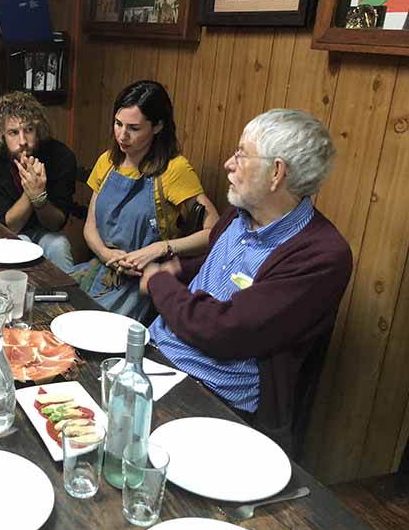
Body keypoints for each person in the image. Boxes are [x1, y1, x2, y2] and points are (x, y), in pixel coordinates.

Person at [141, 109, 353, 452]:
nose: (228, 163)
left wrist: (158, 282)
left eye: (241, 154)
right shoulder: (239, 216)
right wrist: (178, 269)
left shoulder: (321, 256)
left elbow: (225, 330)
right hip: (156, 354)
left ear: (276, 173)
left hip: (212, 395)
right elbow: (218, 267)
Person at [73, 80, 218, 320]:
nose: (122, 135)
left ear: (158, 126)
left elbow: (214, 231)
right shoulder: (107, 161)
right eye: (118, 124)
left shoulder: (174, 169)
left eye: (134, 128)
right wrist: (106, 255)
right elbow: (91, 225)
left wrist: (161, 248)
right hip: (103, 266)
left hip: (145, 280)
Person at [0, 91, 77, 272]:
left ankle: (71, 297)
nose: (22, 141)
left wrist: (40, 198)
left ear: (38, 130)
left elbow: (57, 223)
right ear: (2, 135)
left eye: (28, 130)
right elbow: (9, 226)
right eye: (13, 132)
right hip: (5, 234)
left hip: (46, 231)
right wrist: (31, 192)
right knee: (21, 244)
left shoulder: (61, 157)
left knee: (59, 244)